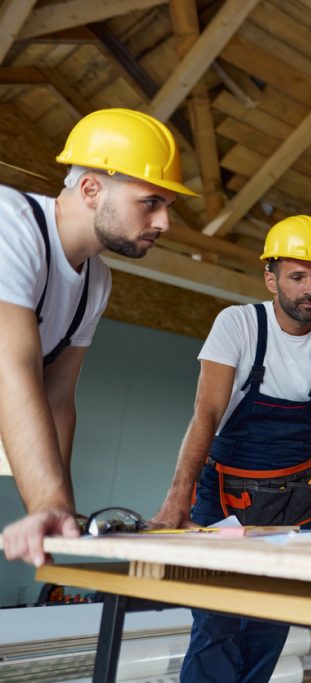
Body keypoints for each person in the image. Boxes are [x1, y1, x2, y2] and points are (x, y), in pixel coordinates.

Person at [149, 214, 311, 682]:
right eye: (297, 276)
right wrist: (178, 499)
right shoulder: (237, 324)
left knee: (270, 619)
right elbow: (207, 415)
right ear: (270, 277)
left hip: (292, 500)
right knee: (216, 618)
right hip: (222, 497)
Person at [0, 108, 197, 567]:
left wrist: (60, 511)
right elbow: (11, 366)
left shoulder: (96, 281)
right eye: (151, 202)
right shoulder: (10, 224)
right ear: (91, 189)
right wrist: (46, 501)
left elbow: (57, 398)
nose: (165, 223)